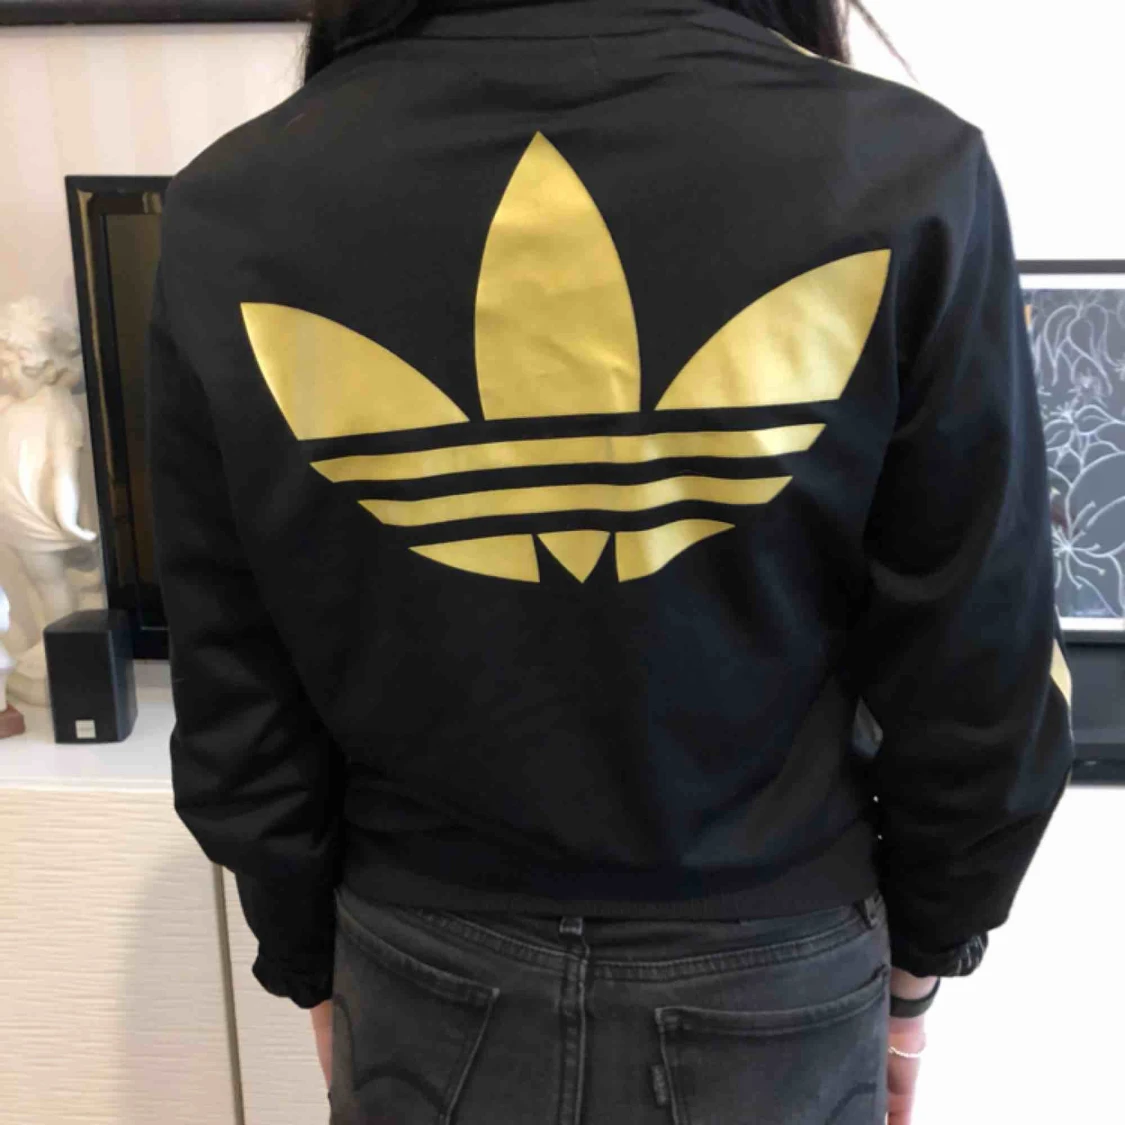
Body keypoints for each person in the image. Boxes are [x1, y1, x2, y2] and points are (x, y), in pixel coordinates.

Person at [145, 2, 1075, 1122]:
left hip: (419, 960)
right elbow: (984, 664)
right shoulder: (905, 169)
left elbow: (232, 673)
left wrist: (308, 959)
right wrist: (922, 965)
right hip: (776, 969)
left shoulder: (236, 200)